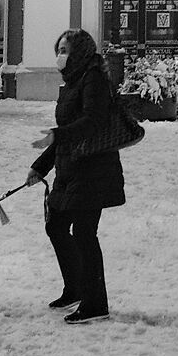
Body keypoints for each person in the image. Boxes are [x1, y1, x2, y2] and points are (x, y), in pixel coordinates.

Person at [29, 28, 138, 324]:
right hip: (72, 169)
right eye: (58, 50)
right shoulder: (74, 81)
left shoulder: (94, 80)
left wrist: (56, 135)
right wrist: (40, 167)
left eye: (64, 50)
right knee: (57, 227)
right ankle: (75, 288)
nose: (59, 56)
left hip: (94, 170)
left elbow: (93, 121)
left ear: (78, 53)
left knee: (85, 234)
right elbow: (64, 135)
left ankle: (95, 304)